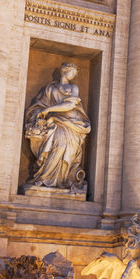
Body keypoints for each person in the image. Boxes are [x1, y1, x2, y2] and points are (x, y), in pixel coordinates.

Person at [23, 63, 90, 193]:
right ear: (64, 71)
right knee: (55, 145)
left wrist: (49, 109)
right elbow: (40, 105)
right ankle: (45, 177)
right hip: (53, 122)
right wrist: (40, 113)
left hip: (71, 124)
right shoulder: (50, 88)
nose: (73, 75)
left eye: (75, 74)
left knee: (63, 146)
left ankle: (62, 180)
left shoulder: (73, 87)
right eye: (72, 72)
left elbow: (70, 105)